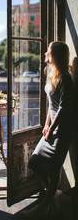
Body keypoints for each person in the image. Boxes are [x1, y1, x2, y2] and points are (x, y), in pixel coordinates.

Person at [28, 41, 74, 204]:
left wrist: (52, 128)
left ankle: (48, 203)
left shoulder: (65, 78)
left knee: (54, 169)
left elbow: (63, 108)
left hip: (62, 131)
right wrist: (47, 125)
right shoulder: (52, 73)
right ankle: (53, 194)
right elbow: (51, 104)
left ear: (55, 55)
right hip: (53, 128)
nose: (45, 53)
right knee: (33, 162)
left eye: (48, 51)